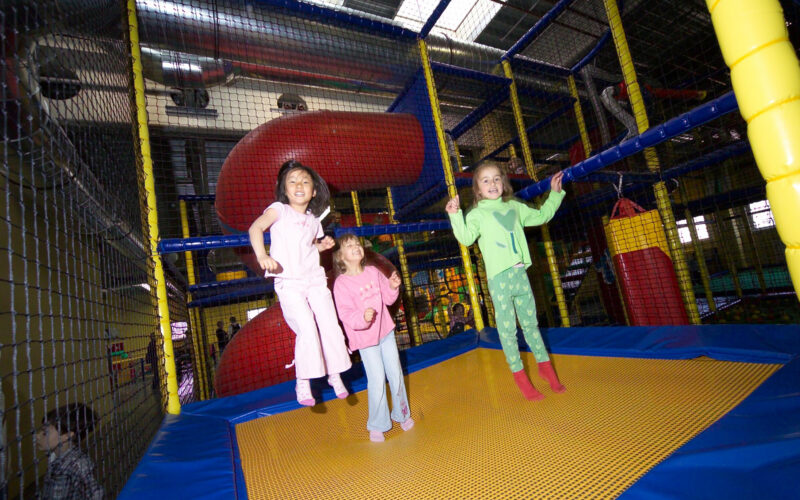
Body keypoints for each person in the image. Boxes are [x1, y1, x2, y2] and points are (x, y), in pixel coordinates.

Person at [445, 162, 567, 400]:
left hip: (520, 274)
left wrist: (555, 194)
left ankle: (545, 368)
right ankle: (521, 377)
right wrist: (455, 215)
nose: (493, 184)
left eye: (497, 178)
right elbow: (467, 238)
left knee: (530, 324)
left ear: (504, 183)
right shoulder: (478, 213)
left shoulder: (515, 206)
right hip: (499, 279)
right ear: (478, 190)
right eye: (486, 180)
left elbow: (542, 215)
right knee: (508, 329)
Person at [249, 160, 352, 406]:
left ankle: (335, 373)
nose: (299, 185)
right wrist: (262, 256)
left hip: (314, 279)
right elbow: (256, 228)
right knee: (306, 327)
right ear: (285, 190)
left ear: (314, 191)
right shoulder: (279, 210)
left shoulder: (314, 220)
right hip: (289, 281)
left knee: (329, 323)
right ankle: (303, 380)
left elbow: (308, 246)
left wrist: (322, 245)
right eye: (293, 181)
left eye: (305, 181)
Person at [332, 234, 414, 442]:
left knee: (395, 373)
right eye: (349, 246)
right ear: (341, 257)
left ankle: (402, 414)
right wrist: (362, 317)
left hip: (385, 332)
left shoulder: (373, 272)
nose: (356, 247)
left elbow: (387, 298)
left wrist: (393, 287)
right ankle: (378, 423)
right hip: (365, 339)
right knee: (377, 379)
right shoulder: (341, 284)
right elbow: (345, 314)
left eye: (357, 244)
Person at [36, 403, 104, 500]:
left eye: (45, 432)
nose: (37, 436)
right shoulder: (73, 457)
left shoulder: (63, 470)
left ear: (67, 436)